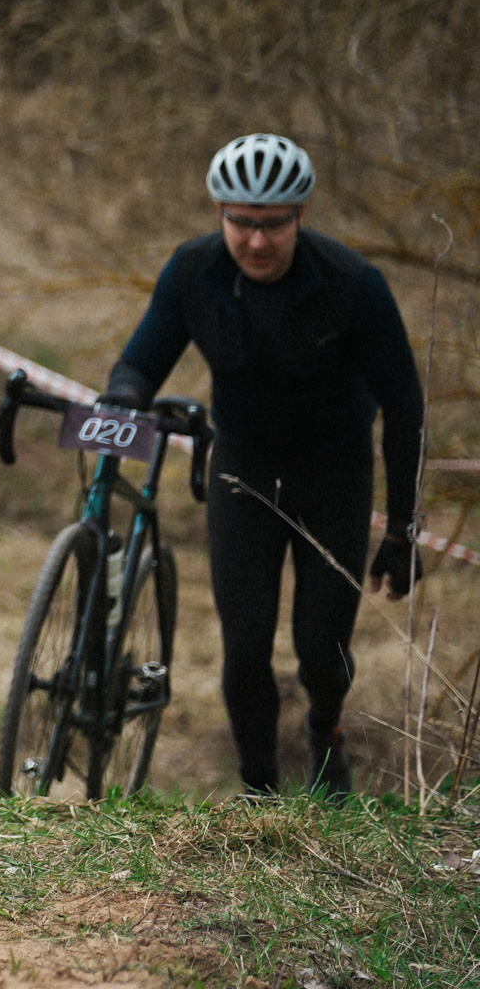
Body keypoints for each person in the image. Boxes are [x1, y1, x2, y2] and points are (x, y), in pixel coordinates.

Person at [101, 133, 424, 798]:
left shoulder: (353, 285)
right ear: (220, 212)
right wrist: (128, 398)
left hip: (334, 476)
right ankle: (259, 791)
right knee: (245, 648)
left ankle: (326, 733)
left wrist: (401, 530)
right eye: (240, 222)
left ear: (299, 217)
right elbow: (141, 360)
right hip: (244, 471)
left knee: (321, 651)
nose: (255, 241)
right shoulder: (194, 270)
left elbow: (405, 405)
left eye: (272, 224)